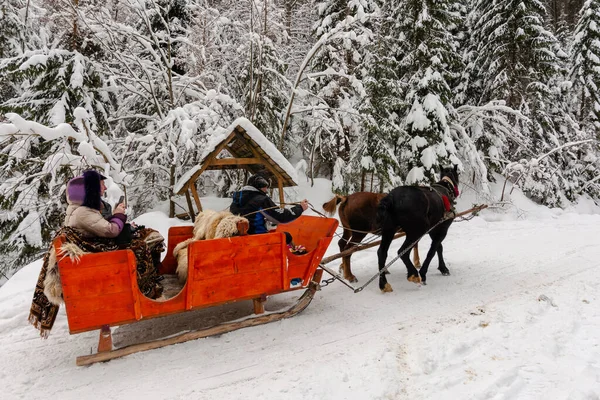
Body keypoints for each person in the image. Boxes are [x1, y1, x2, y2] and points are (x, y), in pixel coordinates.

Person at [230, 174, 308, 251]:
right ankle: (292, 254)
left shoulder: (236, 200)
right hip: (257, 239)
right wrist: (300, 208)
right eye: (266, 187)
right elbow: (281, 217)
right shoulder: (261, 200)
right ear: (261, 185)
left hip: (240, 239)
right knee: (287, 236)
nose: (266, 190)